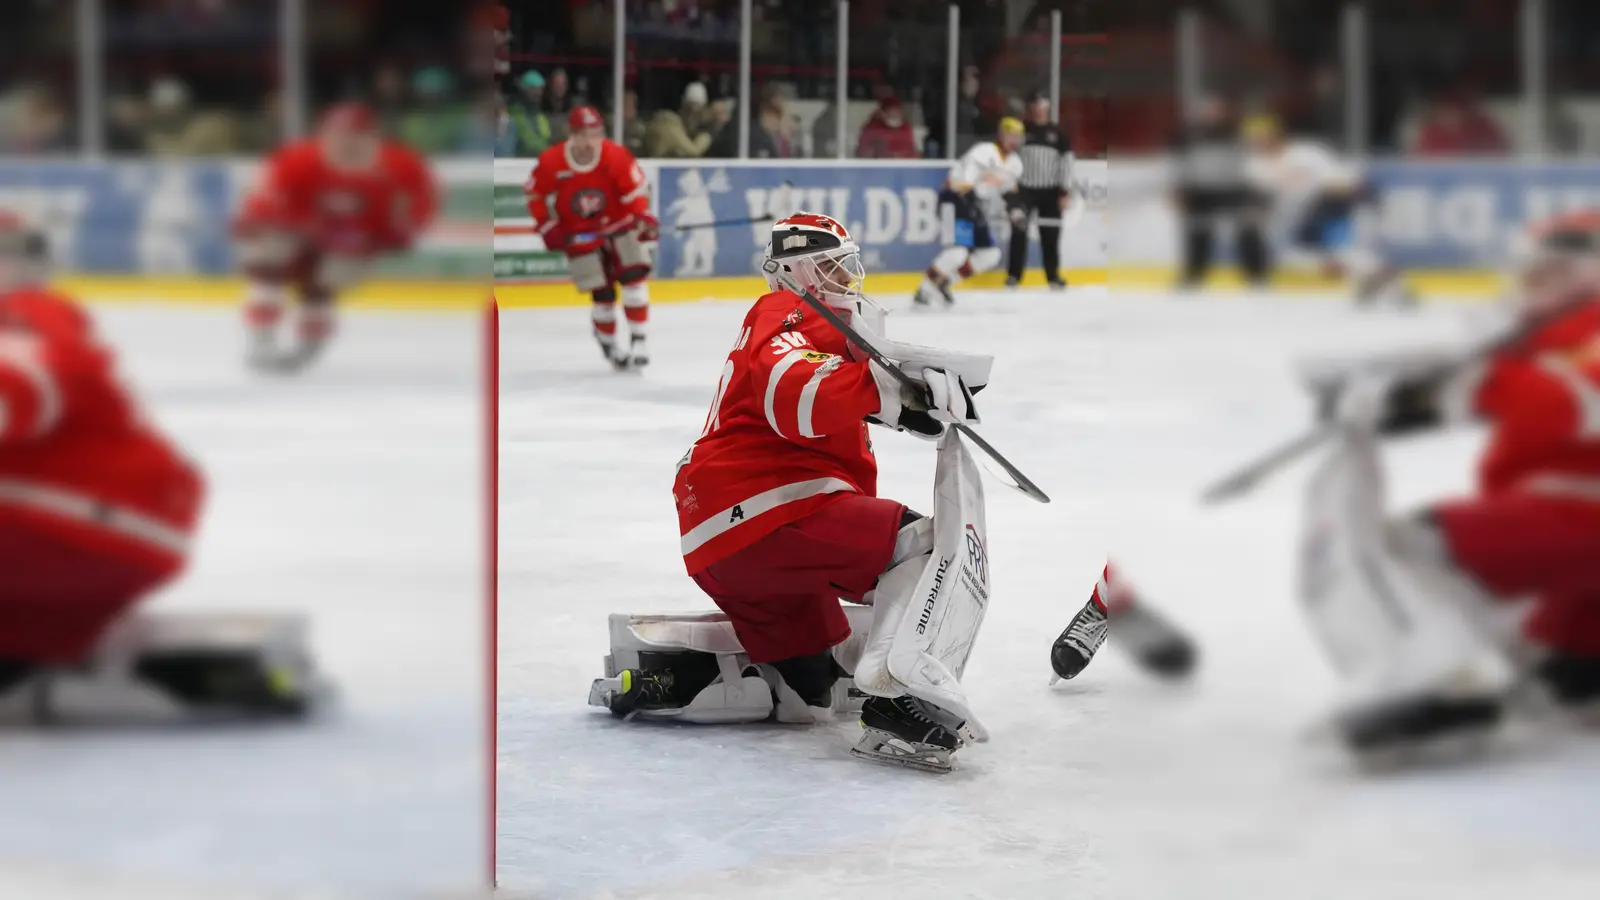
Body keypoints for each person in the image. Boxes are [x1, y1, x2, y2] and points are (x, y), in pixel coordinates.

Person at [590, 212, 988, 772]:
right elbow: (792, 394)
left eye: (847, 266)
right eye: (830, 266)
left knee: (812, 693)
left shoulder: (811, 332)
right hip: (767, 509)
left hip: (728, 541)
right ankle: (895, 693)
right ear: (792, 272)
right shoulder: (786, 309)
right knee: (922, 545)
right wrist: (888, 388)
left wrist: (893, 405)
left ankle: (684, 676)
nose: (846, 280)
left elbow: (808, 397)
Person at [1299, 211, 1600, 755]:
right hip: (1580, 536)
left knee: (1417, 543)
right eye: (1528, 271)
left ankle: (1448, 684)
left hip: (1585, 518)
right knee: (1548, 660)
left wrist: (1468, 382)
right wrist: (1411, 399)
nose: (1530, 286)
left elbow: (1571, 406)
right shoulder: (1551, 343)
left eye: (1552, 272)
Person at [0, 212, 199, 706]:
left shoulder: (22, 310)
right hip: (101, 536)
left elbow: (18, 387)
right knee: (20, 644)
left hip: (68, 523)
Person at [233, 102, 438, 372]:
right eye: (337, 136)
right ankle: (262, 333)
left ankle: (311, 337)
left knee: (325, 281)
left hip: (355, 241)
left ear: (372, 138)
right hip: (298, 229)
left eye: (355, 137)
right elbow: (263, 203)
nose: (346, 144)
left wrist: (394, 234)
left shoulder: (403, 166)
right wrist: (301, 225)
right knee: (267, 256)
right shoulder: (296, 160)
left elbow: (421, 205)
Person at [526, 105, 658, 369]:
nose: (590, 142)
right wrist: (546, 225)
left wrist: (642, 217)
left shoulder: (616, 156)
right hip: (579, 234)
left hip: (618, 224)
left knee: (634, 281)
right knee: (603, 295)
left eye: (596, 134)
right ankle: (608, 343)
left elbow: (635, 192)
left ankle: (639, 340)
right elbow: (535, 194)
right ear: (571, 134)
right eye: (584, 134)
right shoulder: (552, 162)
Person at [1243, 115, 1412, 306]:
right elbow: (1265, 198)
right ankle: (1371, 275)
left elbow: (1339, 179)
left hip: (1336, 203)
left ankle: (1390, 283)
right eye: (1254, 139)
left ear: (1276, 135)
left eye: (1263, 137)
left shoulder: (1305, 153)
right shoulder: (1255, 167)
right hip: (1302, 216)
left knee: (1343, 249)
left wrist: (1351, 194)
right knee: (1295, 257)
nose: (1259, 142)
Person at [913, 117, 1025, 307]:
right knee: (957, 251)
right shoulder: (983, 152)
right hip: (954, 201)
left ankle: (946, 283)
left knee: (990, 254)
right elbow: (961, 184)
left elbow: (1010, 192)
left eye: (1017, 136)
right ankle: (924, 290)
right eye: (1010, 135)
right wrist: (973, 201)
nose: (1013, 140)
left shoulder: (1015, 164)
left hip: (974, 206)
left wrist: (1016, 211)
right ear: (1001, 134)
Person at [1170, 95, 1267, 290]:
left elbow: (1250, 165)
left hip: (1234, 188)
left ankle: (1256, 275)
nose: (1213, 115)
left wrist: (1255, 194)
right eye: (1209, 112)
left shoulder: (1237, 134)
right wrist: (1181, 190)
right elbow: (1182, 166)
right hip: (1201, 190)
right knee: (1197, 230)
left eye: (1217, 111)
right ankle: (1194, 275)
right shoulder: (1188, 137)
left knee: (1248, 227)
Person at [1005, 91, 1074, 290]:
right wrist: (1012, 186)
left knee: (1051, 234)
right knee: (1019, 232)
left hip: (1050, 191)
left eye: (1041, 104)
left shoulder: (1059, 133)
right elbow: (1010, 158)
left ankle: (1053, 276)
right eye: (1034, 104)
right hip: (1025, 189)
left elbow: (1067, 163)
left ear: (1047, 107)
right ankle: (1014, 275)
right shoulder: (1021, 131)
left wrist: (1064, 191)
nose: (1038, 109)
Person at [507, 70, 555, 157]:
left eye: (540, 89)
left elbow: (546, 138)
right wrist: (551, 152)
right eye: (533, 88)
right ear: (524, 90)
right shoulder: (515, 113)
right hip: (519, 162)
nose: (537, 93)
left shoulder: (541, 116)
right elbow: (529, 141)